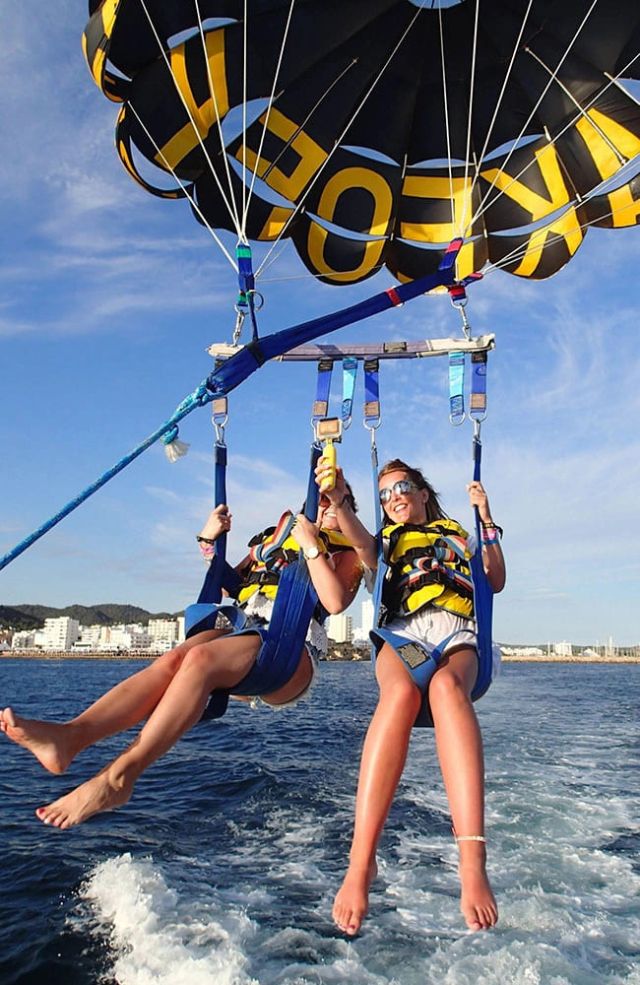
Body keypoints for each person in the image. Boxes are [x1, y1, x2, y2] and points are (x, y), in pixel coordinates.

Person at [0, 487, 363, 830]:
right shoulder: (278, 541)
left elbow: (334, 602)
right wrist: (209, 542)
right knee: (175, 660)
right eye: (321, 502)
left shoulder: (348, 552)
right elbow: (227, 584)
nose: (327, 507)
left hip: (289, 653)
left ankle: (119, 777)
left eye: (336, 501)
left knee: (201, 658)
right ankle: (70, 738)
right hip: (242, 635)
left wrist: (313, 547)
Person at [315, 457, 506, 935]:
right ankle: (361, 863)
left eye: (403, 487)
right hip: (403, 638)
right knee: (398, 696)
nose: (394, 496)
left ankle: (472, 860)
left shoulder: (460, 533)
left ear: (423, 493)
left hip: (459, 636)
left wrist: (486, 518)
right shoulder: (383, 543)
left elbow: (495, 579)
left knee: (445, 688)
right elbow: (357, 538)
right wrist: (338, 501)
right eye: (384, 494)